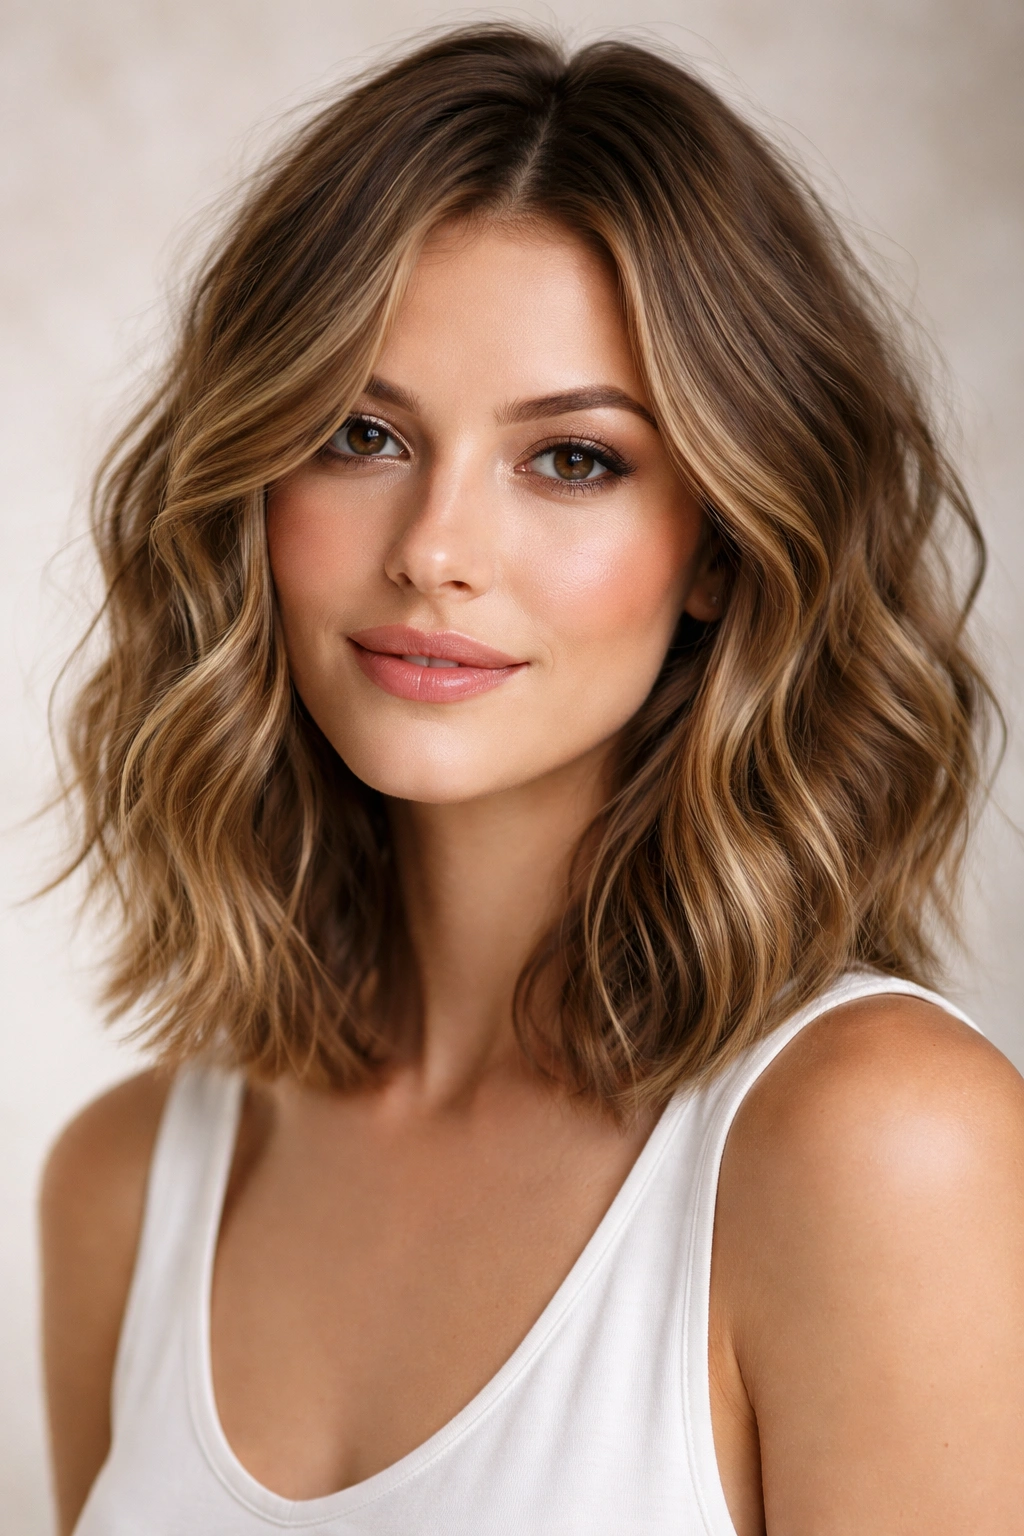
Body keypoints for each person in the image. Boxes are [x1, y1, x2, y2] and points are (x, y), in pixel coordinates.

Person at [38, 25, 1024, 1536]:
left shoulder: (879, 1147)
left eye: (571, 459)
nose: (435, 547)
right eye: (359, 434)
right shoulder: (123, 1186)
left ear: (721, 546)